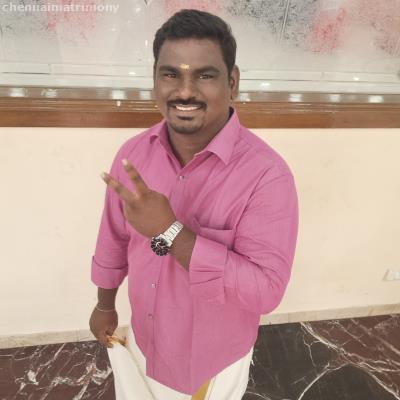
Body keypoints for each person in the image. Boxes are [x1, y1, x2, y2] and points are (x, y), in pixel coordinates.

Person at [89, 8, 299, 400]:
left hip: (210, 364)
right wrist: (105, 303)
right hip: (143, 338)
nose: (185, 91)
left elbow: (266, 291)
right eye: (170, 74)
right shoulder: (133, 154)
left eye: (205, 75)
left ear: (232, 82)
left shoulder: (267, 175)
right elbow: (114, 238)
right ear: (155, 80)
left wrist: (170, 232)